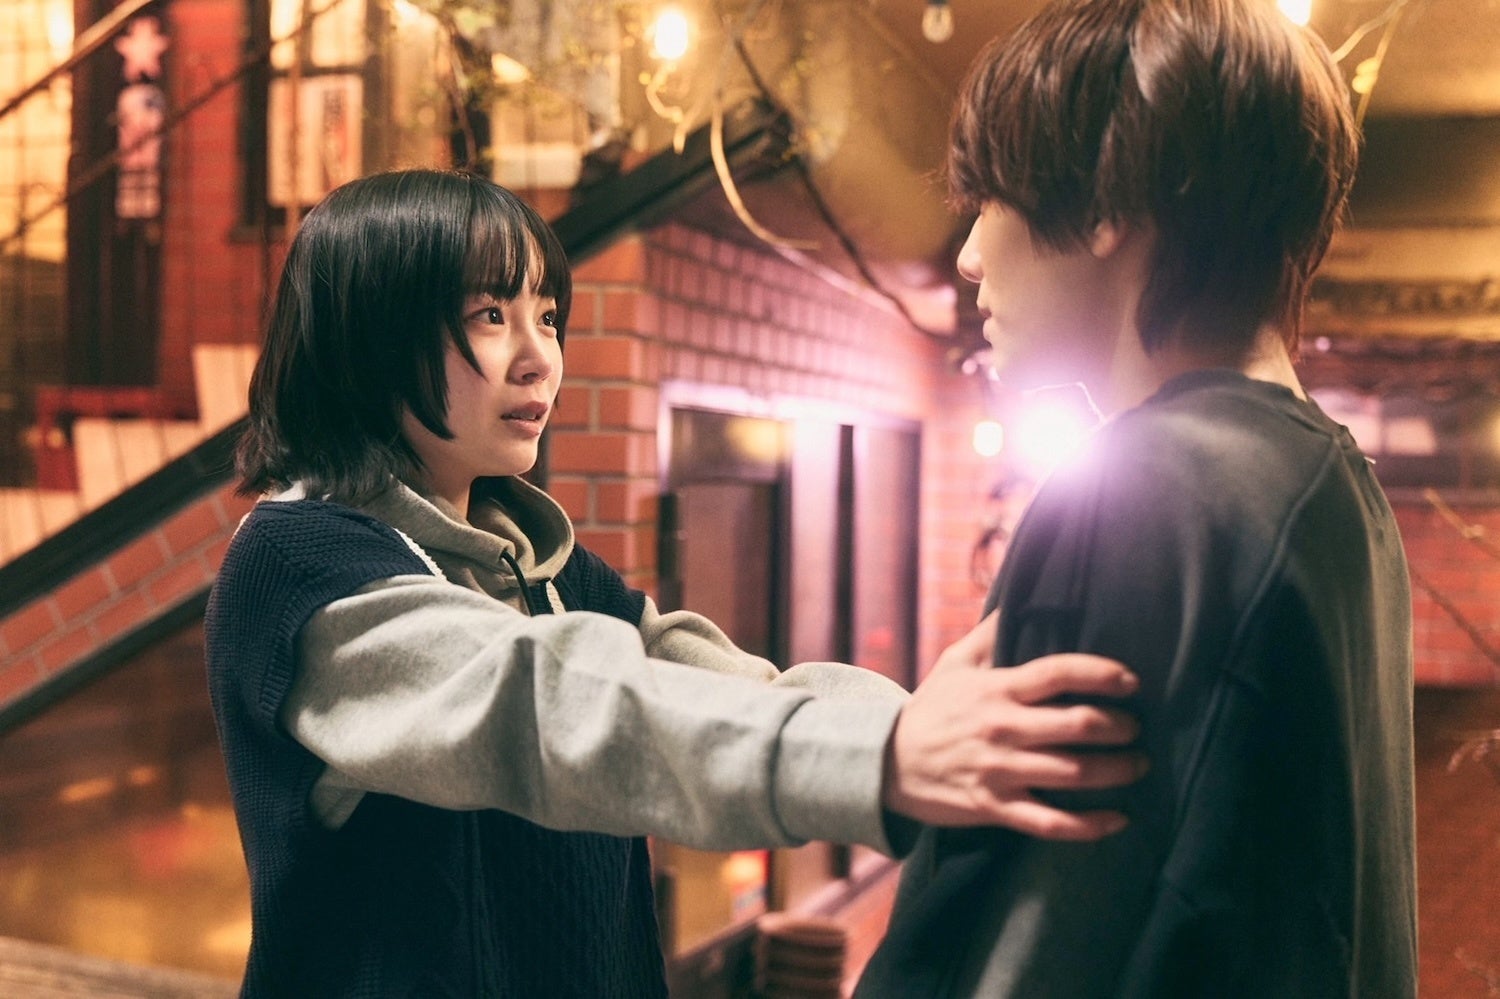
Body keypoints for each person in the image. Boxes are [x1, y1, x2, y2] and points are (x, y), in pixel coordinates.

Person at [204, 168, 1148, 996]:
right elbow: (549, 706)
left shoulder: (538, 561)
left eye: (547, 316)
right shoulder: (299, 569)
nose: (540, 357)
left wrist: (937, 727)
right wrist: (892, 756)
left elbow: (718, 682)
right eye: (491, 316)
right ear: (369, 338)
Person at [856, 0, 1417, 995]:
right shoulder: (1338, 490)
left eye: (991, 197)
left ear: (1108, 200)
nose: (970, 254)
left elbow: (1026, 941)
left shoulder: (1149, 492)